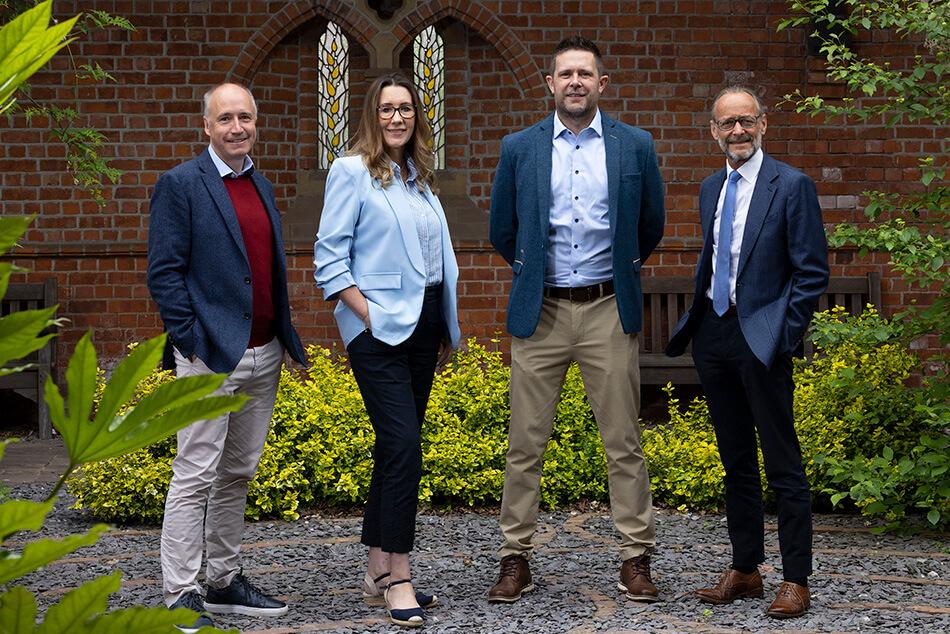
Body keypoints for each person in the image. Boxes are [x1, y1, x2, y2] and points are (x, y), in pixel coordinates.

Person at [487, 36, 666, 604]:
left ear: (601, 84)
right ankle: (515, 556)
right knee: (525, 442)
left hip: (608, 308)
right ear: (550, 83)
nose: (575, 83)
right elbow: (501, 228)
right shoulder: (521, 147)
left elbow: (651, 223)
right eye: (565, 74)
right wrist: (533, 270)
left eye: (585, 74)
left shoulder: (634, 145)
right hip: (540, 310)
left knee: (623, 440)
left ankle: (635, 557)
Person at [147, 82, 306, 633]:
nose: (237, 127)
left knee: (237, 471)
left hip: (265, 352)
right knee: (195, 473)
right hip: (210, 355)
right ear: (206, 127)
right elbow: (164, 273)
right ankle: (181, 591)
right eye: (225, 119)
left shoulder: (260, 184)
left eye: (245, 118)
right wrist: (190, 338)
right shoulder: (181, 185)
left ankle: (223, 580)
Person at [666, 86, 829, 619]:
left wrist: (781, 336)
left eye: (746, 121)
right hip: (714, 335)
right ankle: (745, 569)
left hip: (763, 340)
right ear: (713, 131)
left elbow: (810, 273)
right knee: (735, 458)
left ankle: (795, 578)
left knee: (782, 458)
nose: (737, 131)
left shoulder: (792, 185)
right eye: (726, 124)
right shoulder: (712, 186)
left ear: (763, 124)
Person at [314, 73, 461, 629]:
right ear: (371, 116)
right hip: (376, 331)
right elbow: (329, 258)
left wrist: (442, 323)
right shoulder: (351, 171)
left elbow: (434, 258)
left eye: (405, 109)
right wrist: (368, 314)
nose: (396, 117)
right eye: (386, 109)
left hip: (423, 328)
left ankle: (375, 566)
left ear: (417, 117)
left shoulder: (420, 177)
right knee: (405, 447)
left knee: (392, 448)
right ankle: (400, 575)